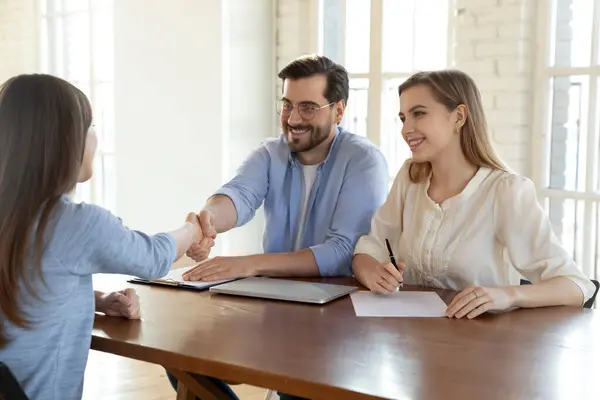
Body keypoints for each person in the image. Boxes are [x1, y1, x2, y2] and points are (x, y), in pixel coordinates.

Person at [168, 55, 389, 399]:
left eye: (308, 108)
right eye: (287, 105)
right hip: (275, 302)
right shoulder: (270, 153)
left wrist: (248, 264)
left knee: (297, 388)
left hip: (337, 316)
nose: (293, 119)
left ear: (339, 110)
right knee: (183, 356)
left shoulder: (363, 160)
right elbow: (238, 196)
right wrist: (207, 221)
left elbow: (342, 250)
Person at [0, 74, 204, 400]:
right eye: (90, 126)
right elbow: (151, 258)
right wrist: (194, 228)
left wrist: (95, 301)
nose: (95, 137)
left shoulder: (11, 217)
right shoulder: (76, 223)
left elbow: (22, 285)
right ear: (63, 141)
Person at [352, 69, 596, 319]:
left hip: (483, 344)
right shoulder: (410, 178)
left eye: (419, 114)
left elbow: (576, 286)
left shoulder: (506, 191)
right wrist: (372, 272)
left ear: (459, 116)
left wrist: (508, 295)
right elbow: (371, 246)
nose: (406, 129)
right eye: (403, 118)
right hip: (414, 343)